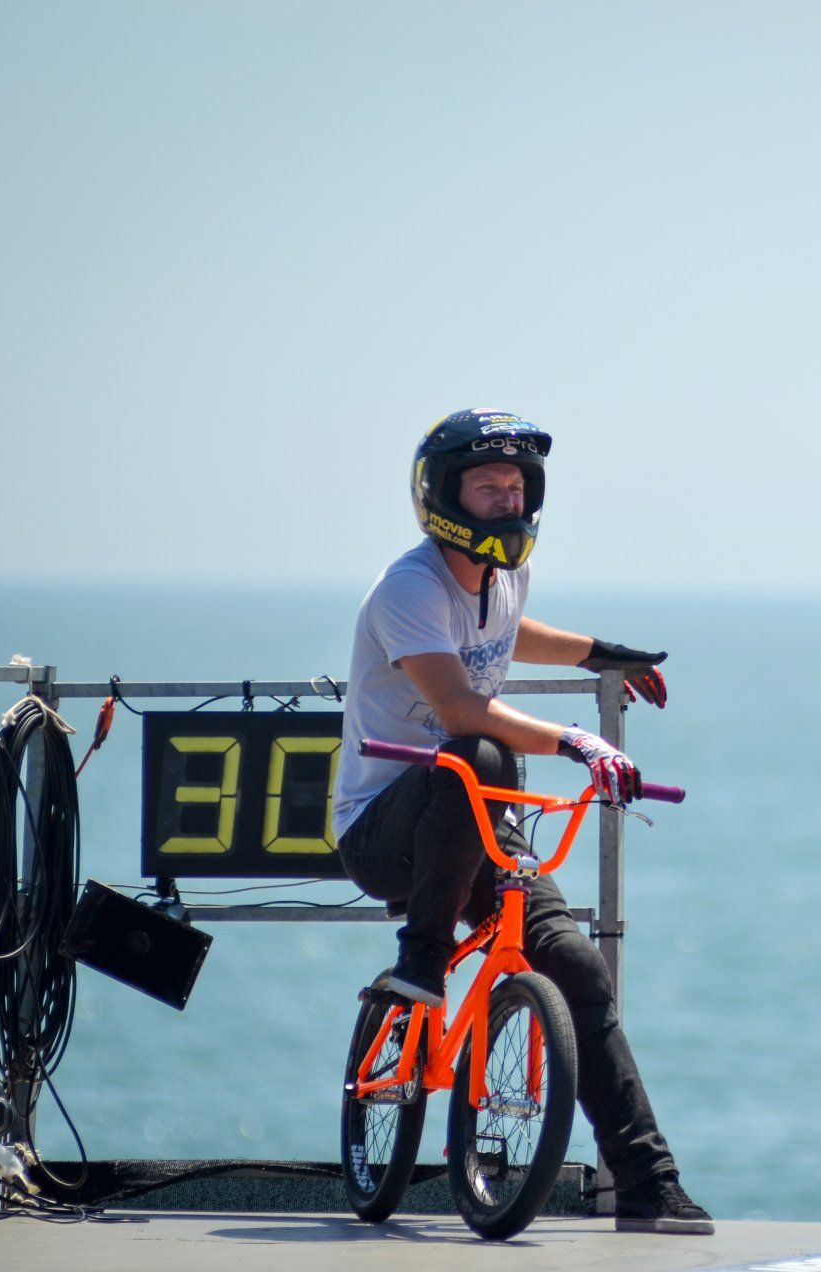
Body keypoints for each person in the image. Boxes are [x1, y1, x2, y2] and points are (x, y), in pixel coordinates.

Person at [332, 408, 712, 1235]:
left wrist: (605, 654)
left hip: (477, 833)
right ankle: (422, 962)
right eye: (488, 487)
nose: (508, 502)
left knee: (576, 968)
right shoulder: (409, 588)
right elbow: (462, 703)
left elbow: (512, 634)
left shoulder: (504, 581)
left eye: (517, 488)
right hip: (386, 836)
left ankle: (650, 1180)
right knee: (481, 752)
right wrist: (577, 737)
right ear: (443, 495)